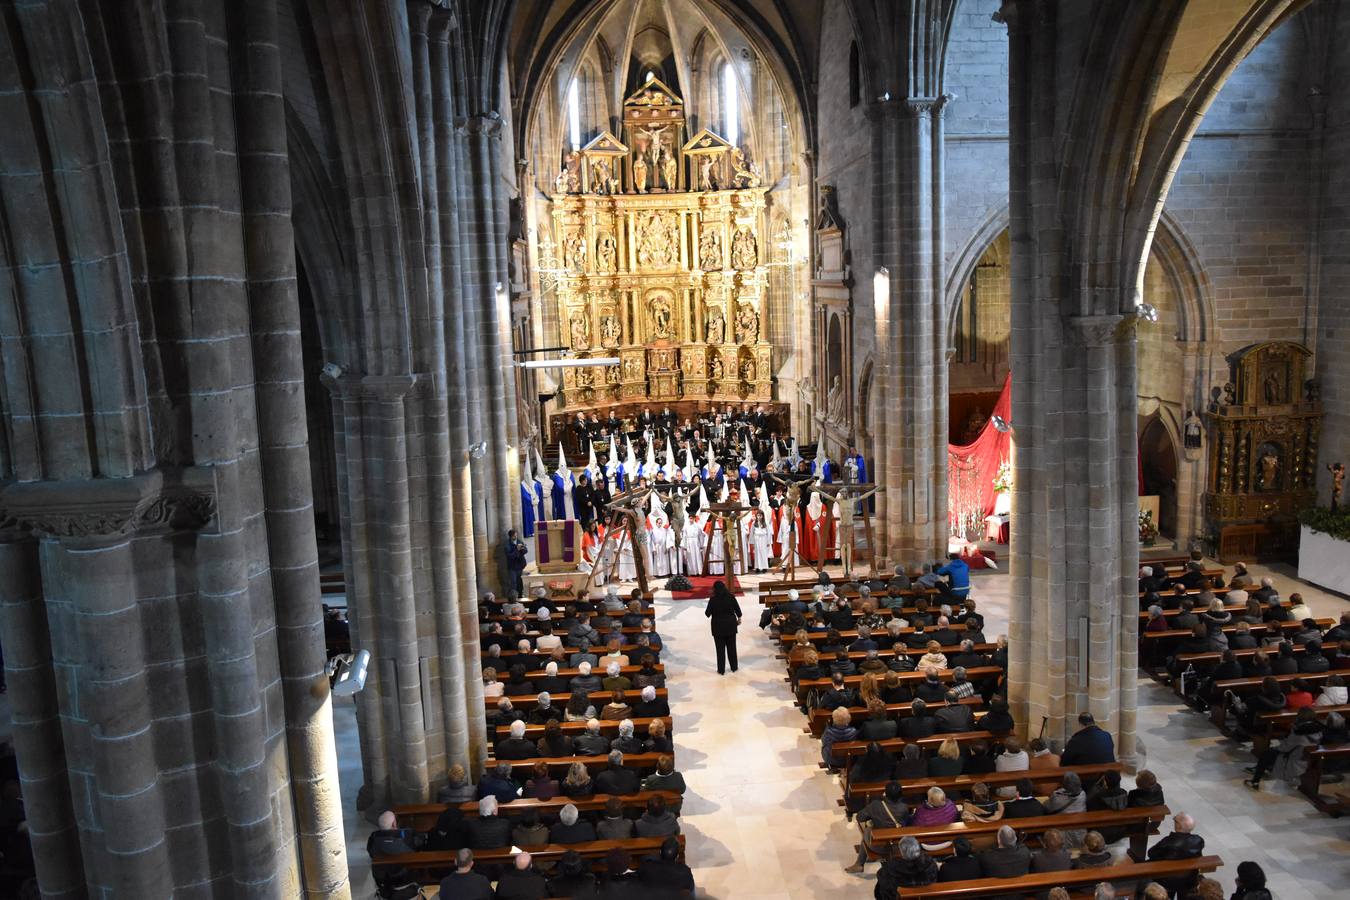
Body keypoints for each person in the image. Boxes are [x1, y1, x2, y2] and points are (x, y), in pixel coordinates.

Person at [845, 780, 908, 874]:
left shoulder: (876, 805)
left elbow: (859, 817)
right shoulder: (904, 807)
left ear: (885, 793)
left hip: (877, 845)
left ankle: (859, 864)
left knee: (867, 830)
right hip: (897, 845)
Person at [1146, 813, 1205, 897]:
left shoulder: (1168, 842)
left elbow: (1151, 853)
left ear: (1179, 826)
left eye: (1175, 821)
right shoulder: (1198, 841)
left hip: (1166, 881)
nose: (1174, 822)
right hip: (1189, 879)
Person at [873, 837, 938, 896]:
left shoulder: (889, 870)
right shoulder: (931, 865)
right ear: (918, 849)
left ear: (901, 852)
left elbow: (880, 893)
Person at [705, 580, 743, 674]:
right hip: (731, 626)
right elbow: (739, 612)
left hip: (718, 628)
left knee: (720, 650)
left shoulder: (713, 600)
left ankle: (721, 670)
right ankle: (734, 667)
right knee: (732, 648)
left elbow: (707, 614)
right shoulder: (731, 597)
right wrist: (738, 620)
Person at [504, 529, 528, 600]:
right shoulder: (507, 545)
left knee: (520, 581)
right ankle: (513, 597)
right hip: (512, 567)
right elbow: (510, 556)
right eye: (514, 536)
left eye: (516, 535)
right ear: (511, 536)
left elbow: (525, 551)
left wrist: (522, 548)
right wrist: (517, 549)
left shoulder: (519, 541)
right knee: (513, 583)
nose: (516, 536)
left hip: (520, 565)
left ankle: (520, 595)